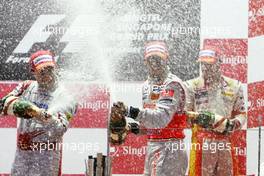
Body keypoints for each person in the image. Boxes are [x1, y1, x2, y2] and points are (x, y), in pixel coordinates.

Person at [110, 41, 188, 176]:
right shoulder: (147, 85)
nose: (155, 63)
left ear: (166, 59)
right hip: (154, 147)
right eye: (151, 59)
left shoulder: (172, 84)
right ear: (145, 62)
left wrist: (128, 111)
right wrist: (129, 128)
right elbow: (150, 125)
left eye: (158, 59)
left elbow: (160, 119)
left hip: (171, 149)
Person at [0, 50, 77, 176]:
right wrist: (26, 108)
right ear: (33, 72)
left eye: (50, 70)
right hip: (23, 154)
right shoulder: (26, 86)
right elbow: (3, 105)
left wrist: (43, 117)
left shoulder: (65, 96)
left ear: (55, 68)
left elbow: (61, 129)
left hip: (47, 157)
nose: (47, 75)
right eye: (42, 71)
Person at [185, 49, 247, 176]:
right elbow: (185, 114)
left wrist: (233, 124)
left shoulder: (234, 85)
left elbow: (241, 113)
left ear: (219, 63)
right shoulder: (191, 85)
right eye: (203, 64)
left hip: (225, 140)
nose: (205, 68)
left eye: (209, 64)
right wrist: (197, 119)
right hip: (202, 140)